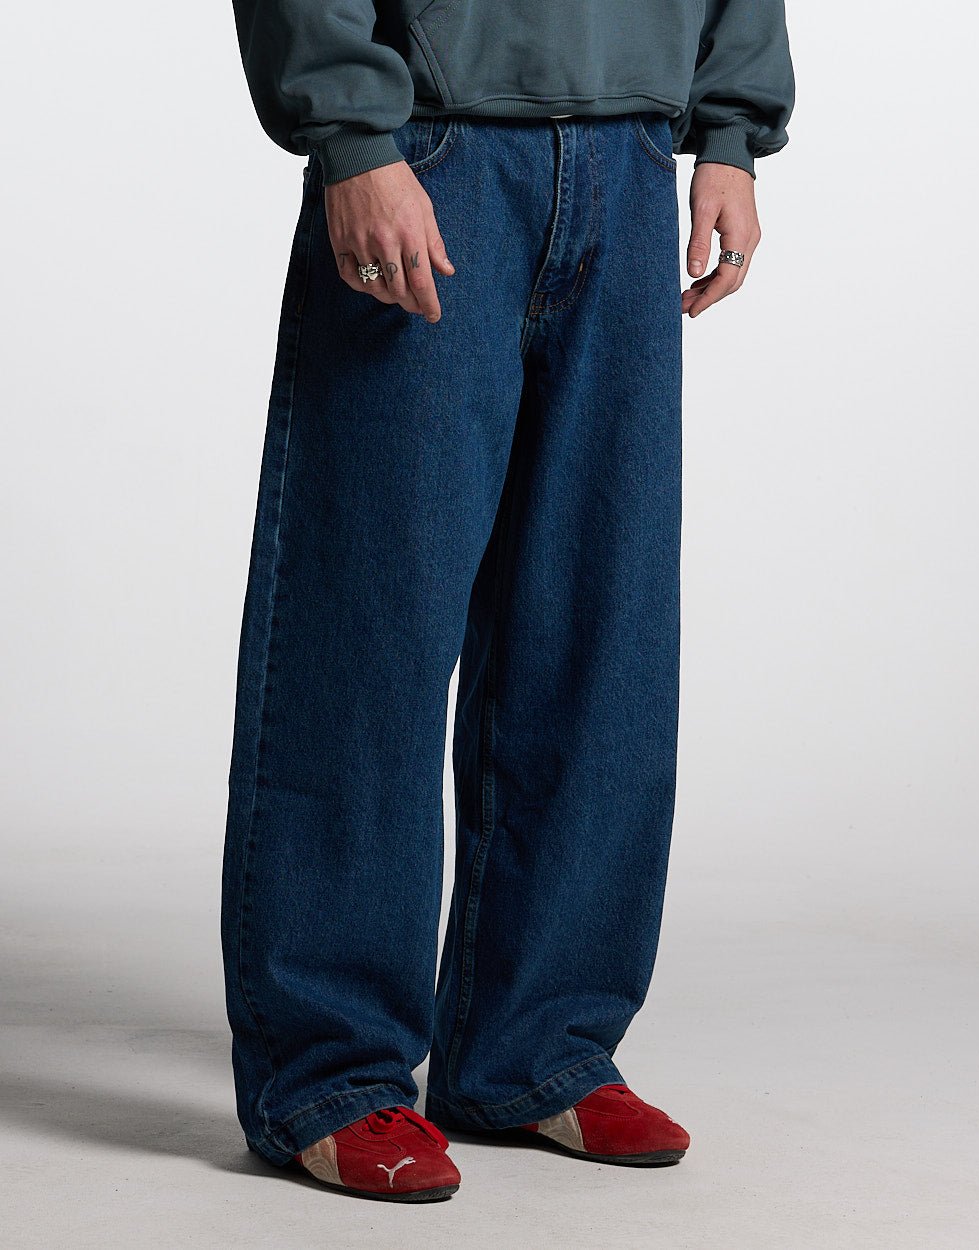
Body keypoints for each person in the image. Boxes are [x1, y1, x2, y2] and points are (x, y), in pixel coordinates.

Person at [222, 0, 795, 1203]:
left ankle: (534, 1047)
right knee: (372, 622)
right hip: (432, 146)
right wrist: (353, 138)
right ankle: (328, 1069)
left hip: (631, 157)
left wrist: (731, 130)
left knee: (597, 629)